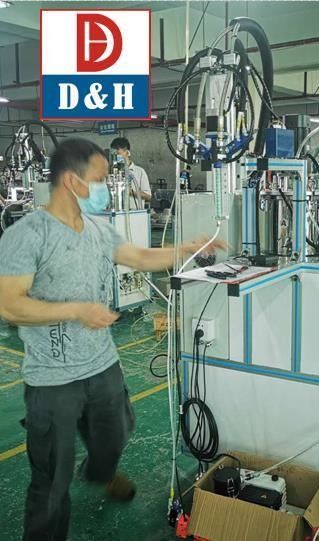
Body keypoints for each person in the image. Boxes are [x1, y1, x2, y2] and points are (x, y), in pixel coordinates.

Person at [0, 138, 225, 541]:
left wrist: (186, 249)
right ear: (72, 181)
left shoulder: (97, 229)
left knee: (117, 433)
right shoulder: (27, 235)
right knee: (51, 480)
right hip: (53, 377)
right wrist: (75, 310)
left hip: (101, 363)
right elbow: (10, 305)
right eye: (100, 179)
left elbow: (138, 257)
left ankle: (99, 472)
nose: (107, 187)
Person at [110, 137, 151, 210]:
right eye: (113, 155)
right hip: (116, 213)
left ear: (127, 153)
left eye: (118, 154)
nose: (115, 157)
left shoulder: (139, 172)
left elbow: (148, 196)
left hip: (134, 213)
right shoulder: (112, 172)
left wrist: (130, 192)